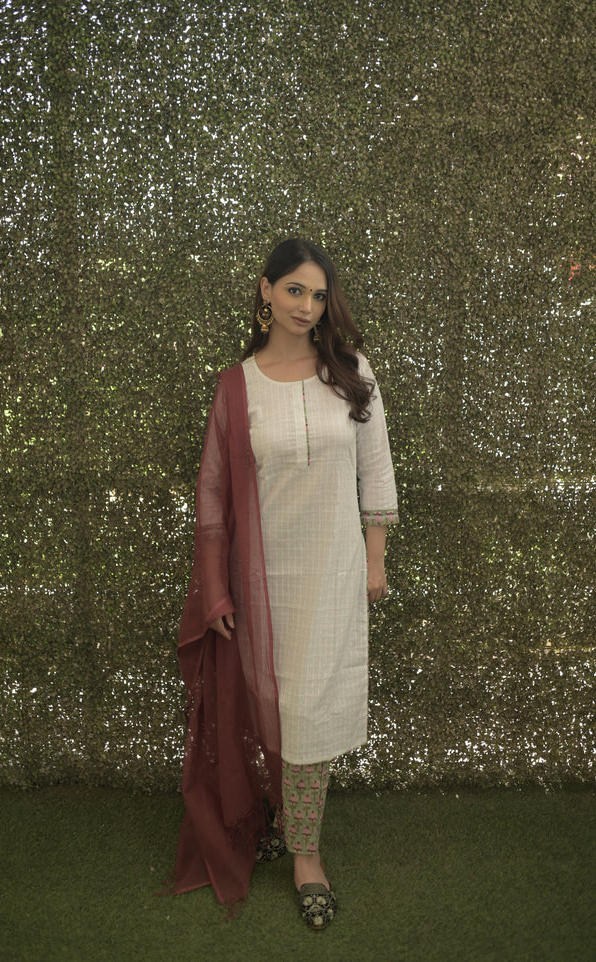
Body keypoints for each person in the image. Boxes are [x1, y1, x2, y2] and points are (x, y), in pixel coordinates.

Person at [173, 238, 398, 929]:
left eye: (319, 295)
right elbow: (213, 499)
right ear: (266, 290)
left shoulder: (350, 372)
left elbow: (376, 469)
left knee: (310, 710)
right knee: (271, 704)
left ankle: (306, 853)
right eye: (295, 290)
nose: (307, 306)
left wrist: (375, 559)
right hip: (262, 582)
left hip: (333, 573)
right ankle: (273, 814)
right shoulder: (236, 386)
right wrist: (216, 591)